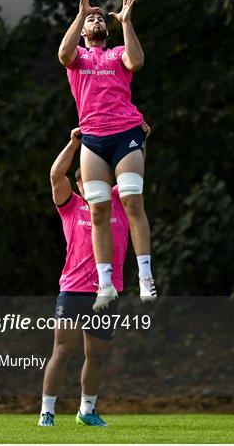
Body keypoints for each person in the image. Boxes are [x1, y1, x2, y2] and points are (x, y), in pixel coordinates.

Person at [39, 126, 146, 427]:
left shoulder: (118, 204)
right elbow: (54, 176)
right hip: (74, 290)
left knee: (96, 356)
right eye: (88, 182)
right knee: (62, 351)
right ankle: (47, 411)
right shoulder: (71, 206)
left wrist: (140, 140)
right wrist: (73, 144)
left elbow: (134, 177)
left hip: (107, 291)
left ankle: (87, 410)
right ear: (81, 185)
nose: (96, 186)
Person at [58, 0, 157, 311]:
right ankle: (105, 285)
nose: (98, 20)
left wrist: (126, 22)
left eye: (101, 18)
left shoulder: (116, 55)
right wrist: (81, 14)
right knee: (98, 210)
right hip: (93, 140)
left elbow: (138, 61)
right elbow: (62, 53)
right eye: (93, 19)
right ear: (85, 31)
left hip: (125, 133)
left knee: (131, 202)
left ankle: (145, 277)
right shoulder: (78, 59)